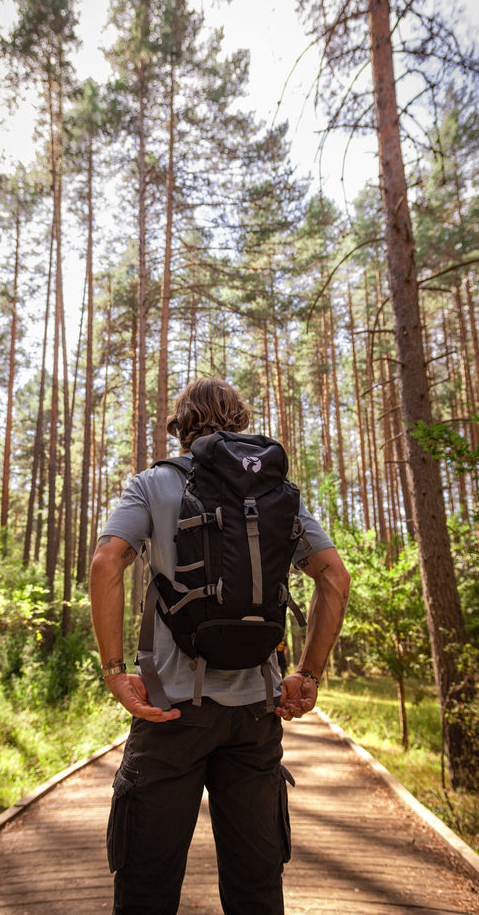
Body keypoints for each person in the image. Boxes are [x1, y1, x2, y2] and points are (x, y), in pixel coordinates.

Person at [89, 377, 350, 915]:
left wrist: (115, 670)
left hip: (170, 713)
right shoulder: (278, 492)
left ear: (181, 427)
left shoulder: (151, 483)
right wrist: (308, 673)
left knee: (145, 889)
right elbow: (335, 579)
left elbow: (106, 562)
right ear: (240, 420)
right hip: (257, 711)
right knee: (256, 891)